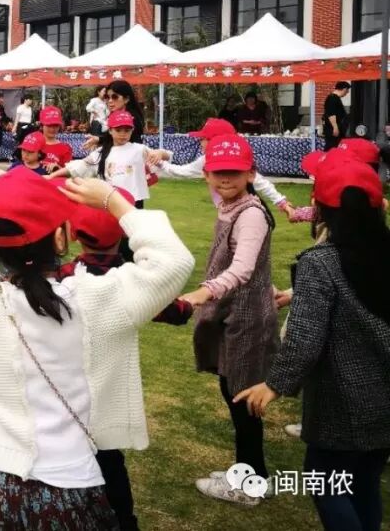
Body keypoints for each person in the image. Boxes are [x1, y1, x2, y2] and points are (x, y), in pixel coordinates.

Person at [0, 171, 194, 531]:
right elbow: (172, 261)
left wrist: (1, 202)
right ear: (61, 238)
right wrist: (112, 200)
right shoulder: (95, 300)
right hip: (71, 486)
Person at [234, 150, 390, 531]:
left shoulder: (319, 262)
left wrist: (274, 384)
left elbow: (305, 337)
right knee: (365, 479)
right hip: (384, 398)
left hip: (343, 403)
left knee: (326, 479)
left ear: (319, 208)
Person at [177, 134, 278, 506]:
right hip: (234, 314)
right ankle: (250, 472)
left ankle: (251, 483)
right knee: (234, 394)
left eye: (234, 172)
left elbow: (243, 268)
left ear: (251, 174)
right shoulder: (230, 205)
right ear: (206, 174)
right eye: (217, 171)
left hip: (245, 320)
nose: (225, 178)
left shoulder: (250, 214)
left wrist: (201, 293)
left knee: (242, 400)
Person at [149, 118, 290, 213]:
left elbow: (260, 182)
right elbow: (182, 171)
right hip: (224, 211)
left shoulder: (236, 159)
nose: (200, 142)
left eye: (203, 139)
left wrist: (281, 202)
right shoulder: (207, 159)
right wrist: (160, 161)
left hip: (243, 211)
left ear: (215, 141)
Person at [51, 111, 154, 208]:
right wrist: (52, 176)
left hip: (135, 201)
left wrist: (161, 153)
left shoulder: (139, 149)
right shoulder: (101, 152)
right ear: (110, 130)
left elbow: (160, 161)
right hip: (110, 201)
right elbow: (79, 166)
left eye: (127, 130)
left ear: (132, 130)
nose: (123, 134)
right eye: (118, 130)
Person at [39, 106, 73, 171]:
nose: (52, 129)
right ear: (42, 125)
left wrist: (58, 168)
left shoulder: (65, 148)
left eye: (56, 125)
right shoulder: (33, 144)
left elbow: (69, 172)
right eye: (49, 125)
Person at [322, 81, 351, 150]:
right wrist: (335, 127)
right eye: (347, 91)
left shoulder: (335, 98)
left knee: (335, 146)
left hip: (336, 128)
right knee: (332, 147)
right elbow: (331, 114)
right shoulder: (332, 98)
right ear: (344, 89)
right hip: (332, 129)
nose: (347, 93)